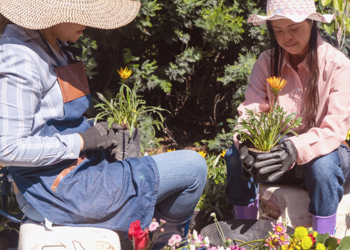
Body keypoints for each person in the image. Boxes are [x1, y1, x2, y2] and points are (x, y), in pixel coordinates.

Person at [0, 0, 207, 248]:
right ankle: (164, 242)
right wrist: (83, 141)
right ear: (53, 14)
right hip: (52, 190)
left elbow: (51, 119)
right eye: (82, 14)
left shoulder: (52, 43)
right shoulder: (20, 57)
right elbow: (8, 149)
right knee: (193, 168)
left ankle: (153, 238)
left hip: (69, 173)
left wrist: (98, 130)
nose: (87, 24)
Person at [225, 0, 350, 235]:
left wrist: (293, 148)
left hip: (326, 155)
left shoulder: (338, 66)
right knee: (234, 156)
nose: (286, 38)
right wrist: (245, 142)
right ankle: (244, 233)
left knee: (322, 167)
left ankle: (322, 239)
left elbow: (333, 129)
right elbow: (252, 111)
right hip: (277, 158)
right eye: (278, 31)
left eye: (293, 29)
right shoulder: (266, 62)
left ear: (312, 24)